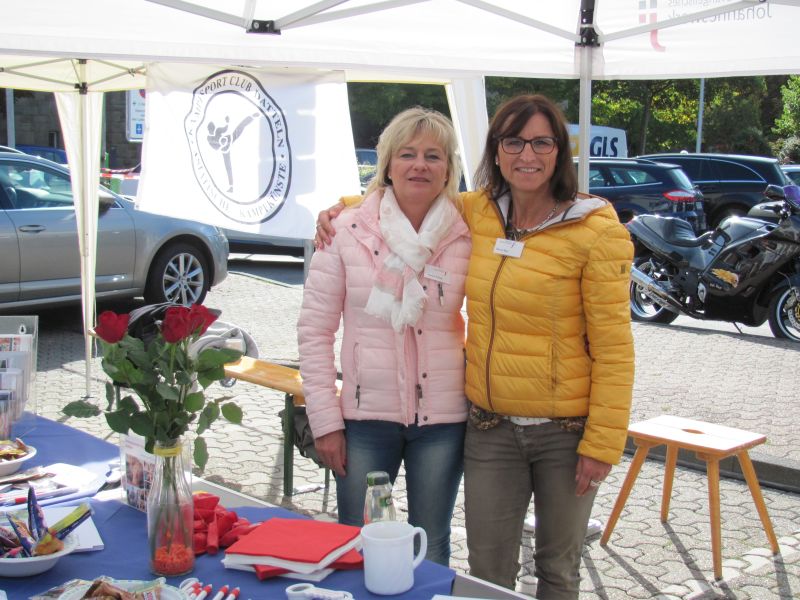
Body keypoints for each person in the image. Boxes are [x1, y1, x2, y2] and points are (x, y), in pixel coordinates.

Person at [316, 94, 634, 599]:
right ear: (496, 152)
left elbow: (616, 348)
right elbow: (407, 196)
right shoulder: (479, 213)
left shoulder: (595, 231)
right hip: (490, 427)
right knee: (487, 573)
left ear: (560, 152)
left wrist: (603, 443)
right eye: (513, 141)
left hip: (565, 432)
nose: (526, 154)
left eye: (541, 142)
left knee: (557, 569)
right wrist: (343, 207)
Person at [297, 107, 472, 566]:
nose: (420, 165)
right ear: (388, 164)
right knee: (361, 545)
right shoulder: (345, 229)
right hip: (364, 419)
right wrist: (325, 422)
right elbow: (314, 331)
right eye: (407, 154)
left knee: (431, 544)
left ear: (449, 168)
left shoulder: (467, 234)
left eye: (433, 155)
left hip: (443, 420)